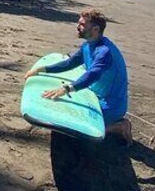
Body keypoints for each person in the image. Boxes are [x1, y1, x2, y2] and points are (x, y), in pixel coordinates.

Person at [23, 8, 132, 144]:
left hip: (110, 104)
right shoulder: (88, 45)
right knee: (65, 118)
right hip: (93, 93)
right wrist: (43, 69)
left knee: (80, 132)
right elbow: (70, 63)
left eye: (82, 24)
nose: (78, 27)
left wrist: (66, 89)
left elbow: (93, 75)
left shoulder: (104, 52)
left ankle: (119, 126)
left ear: (95, 29)